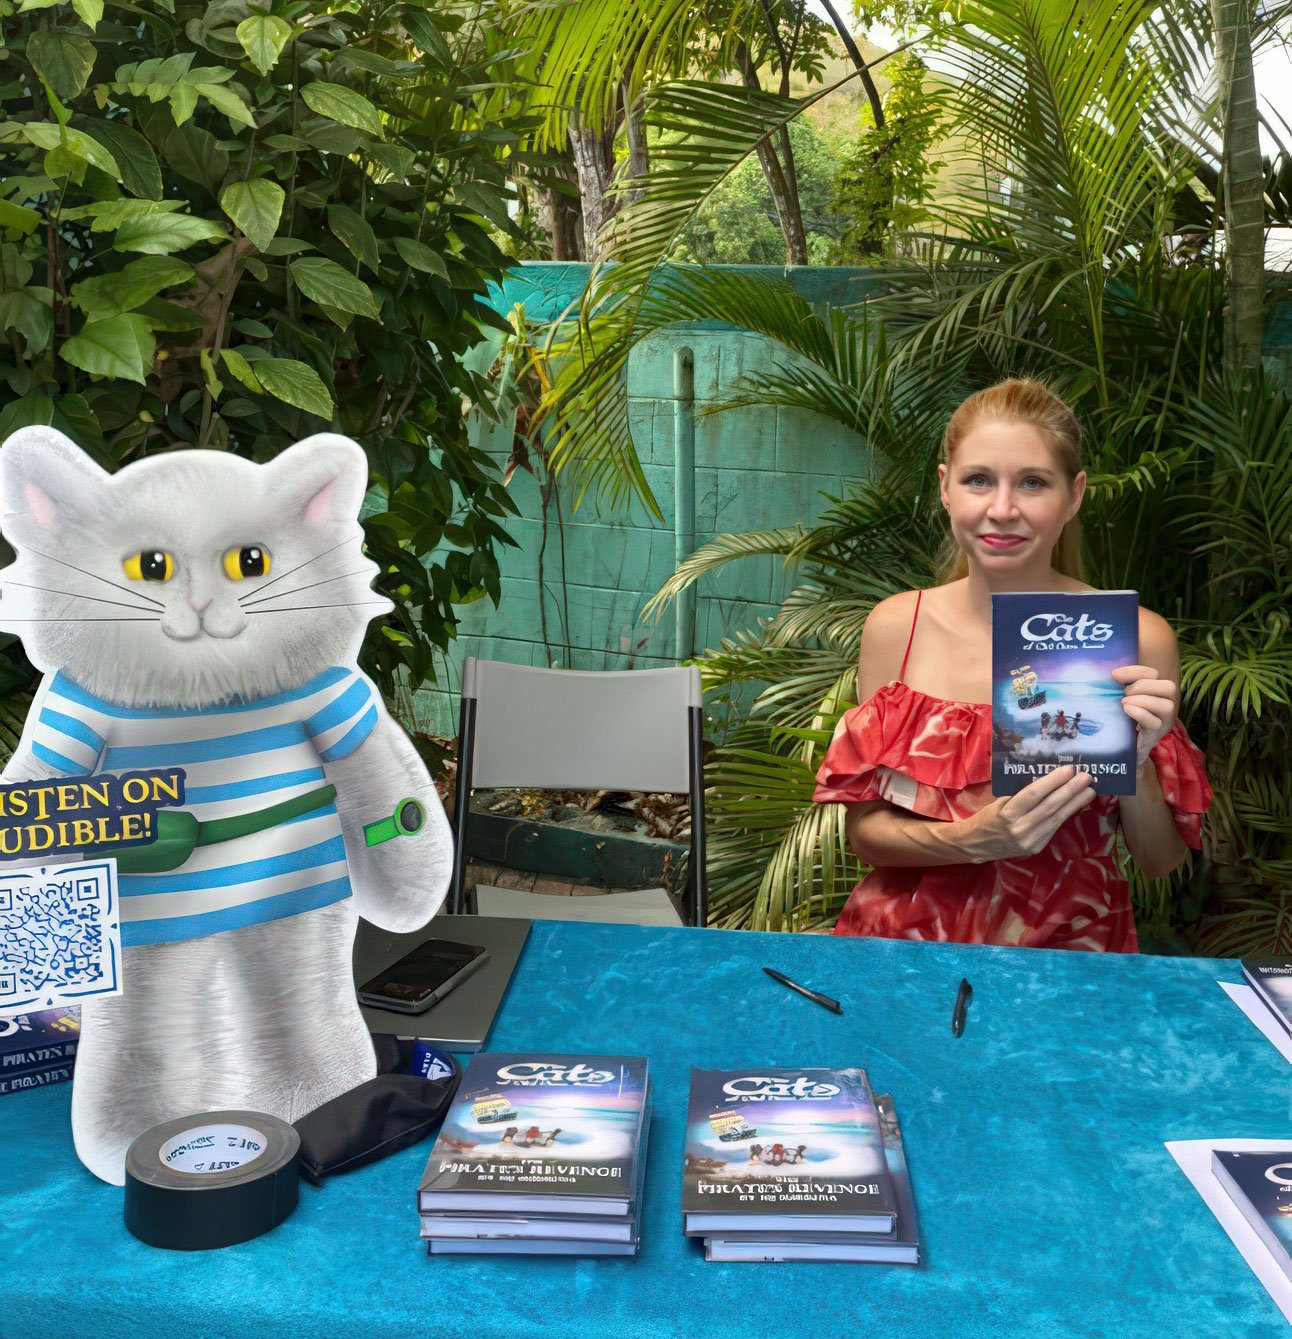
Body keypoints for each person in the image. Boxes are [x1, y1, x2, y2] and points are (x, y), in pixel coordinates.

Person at [812, 378, 1211, 951]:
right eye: (979, 480)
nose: (1002, 510)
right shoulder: (897, 627)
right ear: (946, 489)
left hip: (1069, 959)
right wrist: (975, 838)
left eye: (1032, 482)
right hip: (904, 953)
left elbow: (1158, 860)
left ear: (1074, 496)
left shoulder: (1139, 638)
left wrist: (1139, 762)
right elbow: (865, 834)